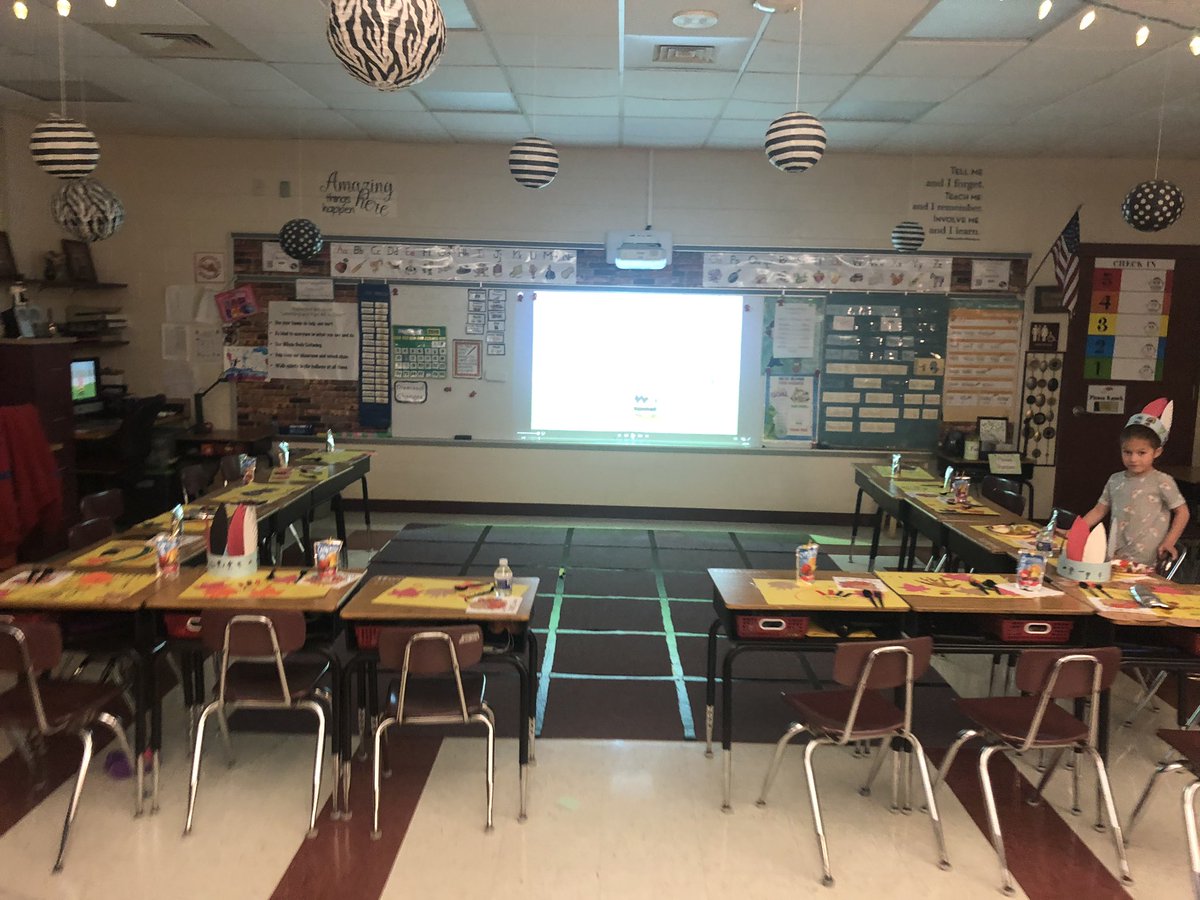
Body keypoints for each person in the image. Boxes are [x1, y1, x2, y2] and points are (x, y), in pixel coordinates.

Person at [1080, 398, 1189, 567]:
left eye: (1141, 452)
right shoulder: (1115, 479)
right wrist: (1076, 530)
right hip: (1115, 557)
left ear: (1157, 452)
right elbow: (1099, 510)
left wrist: (1170, 541)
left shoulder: (1162, 481)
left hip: (1147, 561)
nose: (1133, 458)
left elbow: (1182, 512)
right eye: (1127, 452)